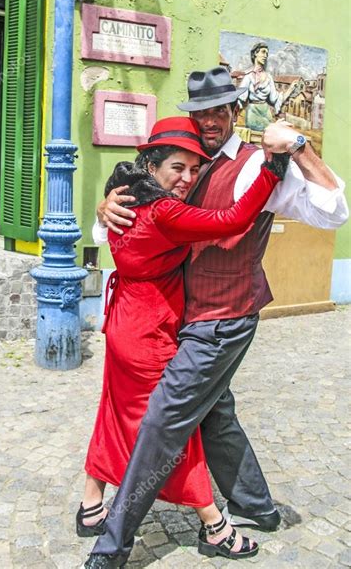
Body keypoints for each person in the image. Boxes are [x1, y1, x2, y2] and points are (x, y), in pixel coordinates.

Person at [85, 66, 348, 568]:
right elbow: (127, 231)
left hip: (224, 316)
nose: (209, 119)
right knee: (216, 414)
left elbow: (333, 211)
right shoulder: (183, 162)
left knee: (163, 420)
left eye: (219, 109)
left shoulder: (255, 166)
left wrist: (298, 147)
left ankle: (114, 542)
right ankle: (258, 508)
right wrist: (103, 213)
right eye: (200, 110)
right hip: (179, 319)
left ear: (234, 110)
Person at [79, 116, 289, 562]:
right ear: (152, 165)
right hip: (152, 330)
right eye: (178, 168)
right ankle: (213, 525)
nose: (188, 178)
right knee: (174, 430)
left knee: (116, 413)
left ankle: (90, 504)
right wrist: (273, 167)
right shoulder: (165, 212)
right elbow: (233, 218)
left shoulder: (126, 197)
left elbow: (108, 230)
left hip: (121, 322)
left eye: (195, 169)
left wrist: (102, 205)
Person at [237, 42, 300, 132]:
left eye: (267, 53)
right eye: (263, 52)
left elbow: (275, 99)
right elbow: (240, 98)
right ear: (255, 53)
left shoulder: (268, 77)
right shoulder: (248, 77)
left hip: (266, 113)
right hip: (253, 113)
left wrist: (290, 89)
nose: (265, 56)